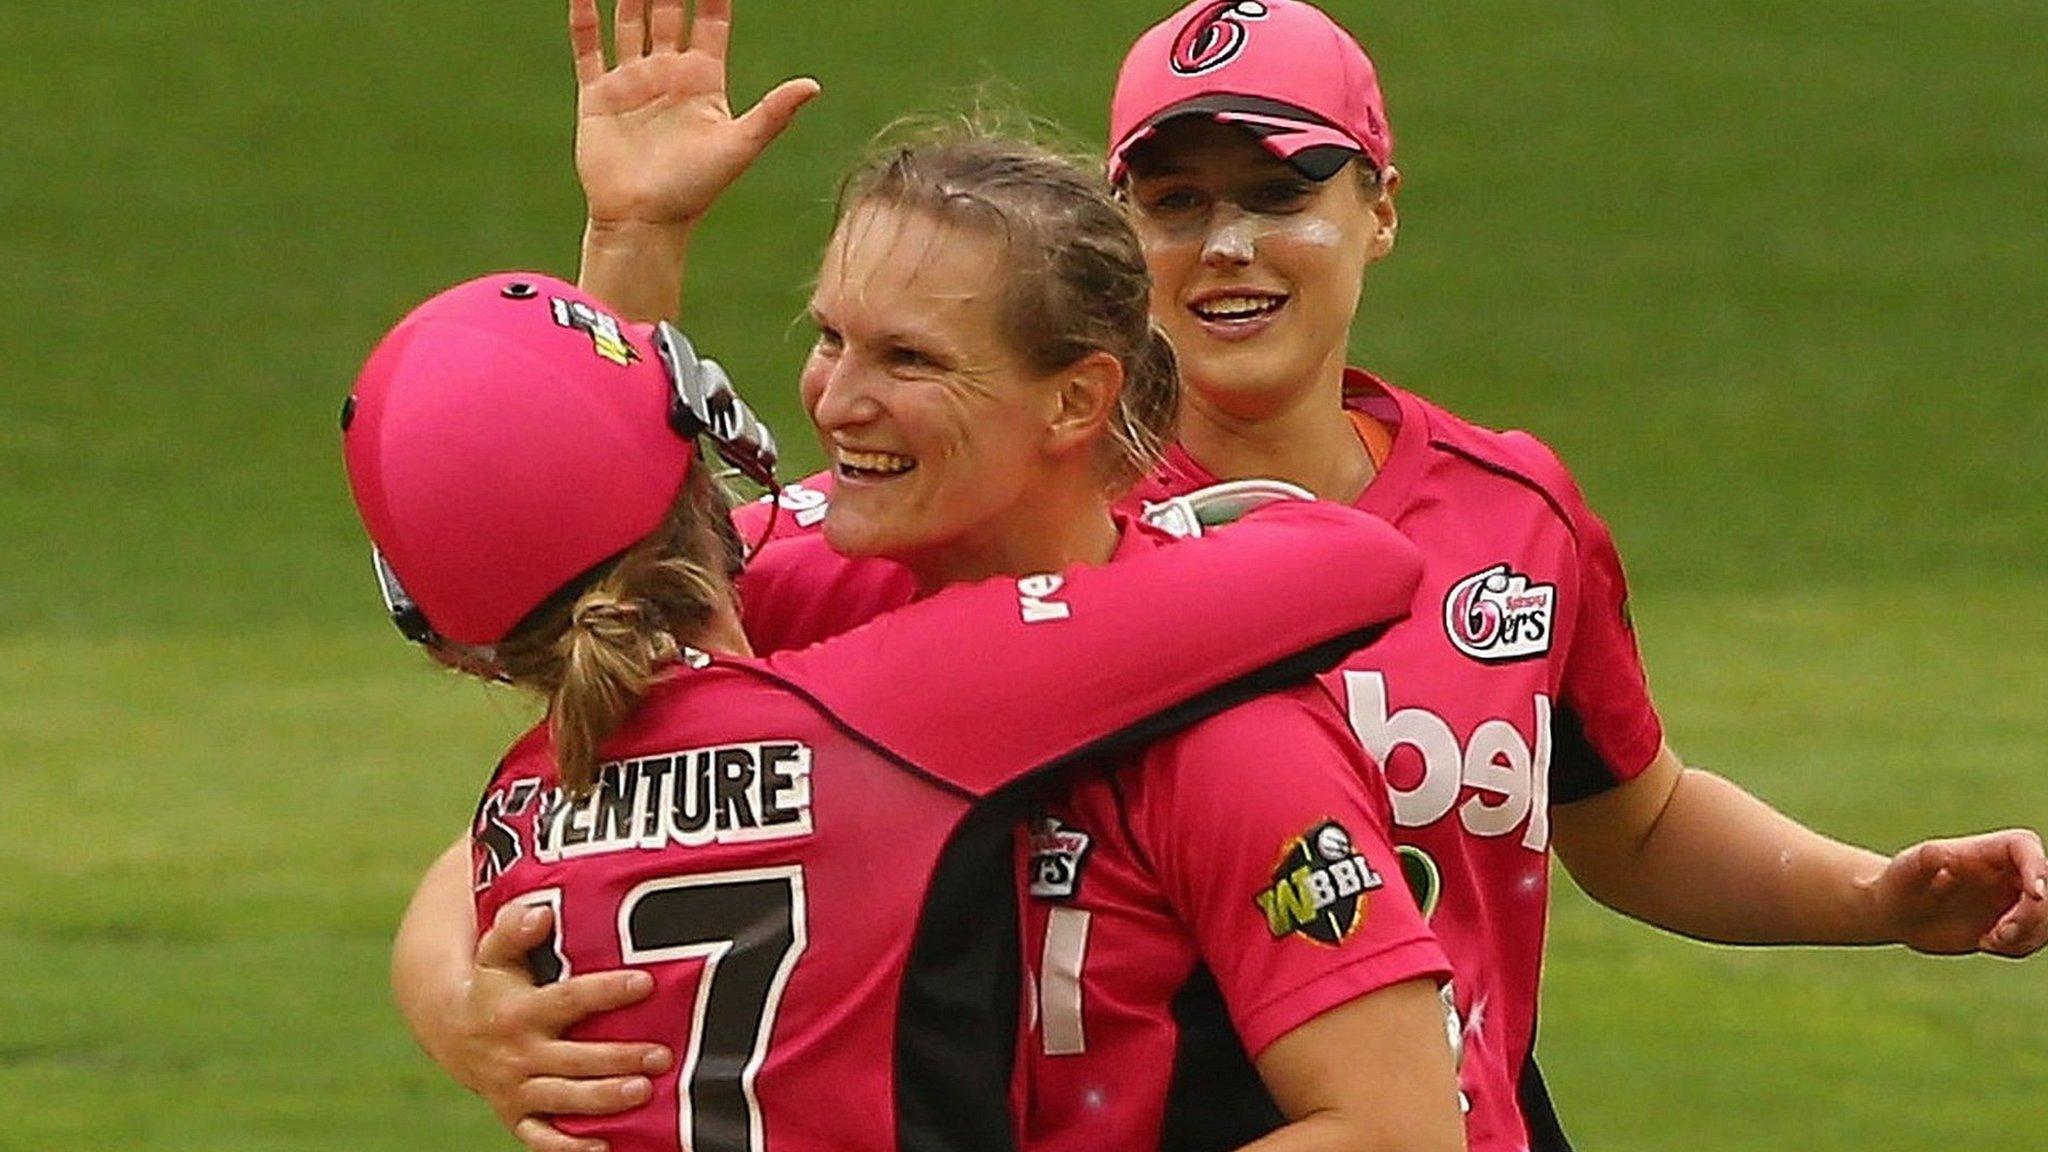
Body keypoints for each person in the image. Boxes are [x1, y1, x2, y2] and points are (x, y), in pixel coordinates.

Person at [352, 269, 1461, 1152]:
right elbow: (1350, 561)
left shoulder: (512, 822)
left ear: (459, 646)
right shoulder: (893, 706)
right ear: (702, 448)